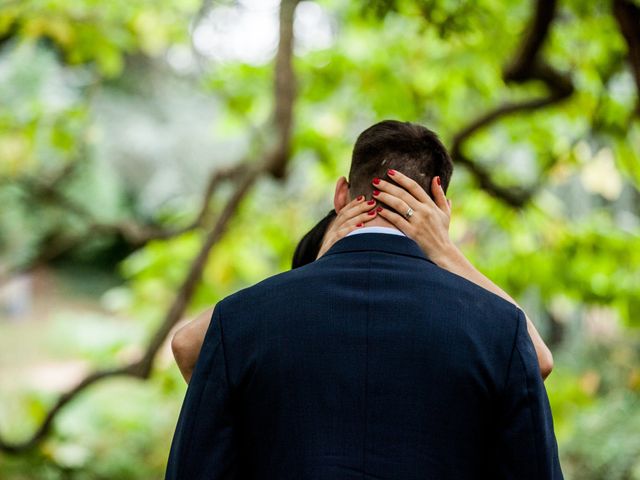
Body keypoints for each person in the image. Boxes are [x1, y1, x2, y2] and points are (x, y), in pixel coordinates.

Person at [165, 120, 564, 479]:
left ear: (341, 193)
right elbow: (536, 367)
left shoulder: (244, 319)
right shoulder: (499, 328)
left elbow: (189, 358)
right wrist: (447, 252)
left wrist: (305, 277)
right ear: (443, 205)